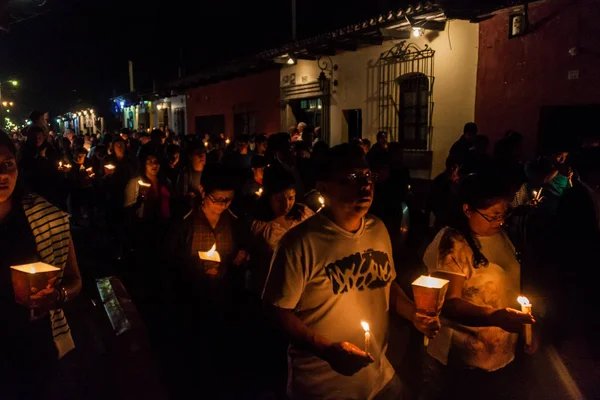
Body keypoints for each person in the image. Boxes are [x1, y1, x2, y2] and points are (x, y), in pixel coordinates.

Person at [262, 144, 440, 400]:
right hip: (324, 385)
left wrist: (414, 314)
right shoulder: (300, 243)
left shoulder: (377, 230)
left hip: (378, 376)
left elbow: (386, 285)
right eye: (351, 179)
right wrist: (328, 350)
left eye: (368, 177)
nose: (365, 186)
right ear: (323, 188)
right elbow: (277, 311)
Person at [420, 172, 536, 400]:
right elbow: (449, 304)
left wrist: (529, 328)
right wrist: (495, 316)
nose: (500, 221)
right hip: (464, 362)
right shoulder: (452, 243)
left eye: (503, 214)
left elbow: (511, 286)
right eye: (492, 215)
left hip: (501, 354)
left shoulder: (499, 234)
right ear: (467, 210)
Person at [0, 131, 82, 398]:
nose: (2, 174)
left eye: (8, 163)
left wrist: (57, 295)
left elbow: (75, 279)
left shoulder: (46, 218)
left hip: (32, 344)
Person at [248, 165, 314, 294]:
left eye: (291, 198)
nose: (286, 205)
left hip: (305, 286)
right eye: (279, 199)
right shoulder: (259, 226)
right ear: (268, 197)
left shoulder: (304, 214)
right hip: (274, 288)